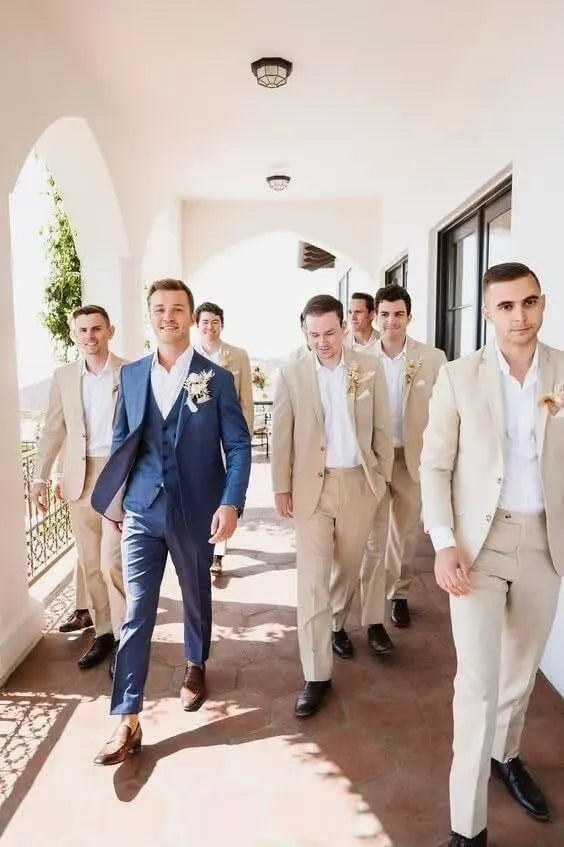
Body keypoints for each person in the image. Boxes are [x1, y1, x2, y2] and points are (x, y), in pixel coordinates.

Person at [420, 262, 564, 846]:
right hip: (478, 547)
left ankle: (507, 757)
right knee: (476, 684)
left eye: (529, 303)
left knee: (521, 673)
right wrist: (443, 541)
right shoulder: (459, 377)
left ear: (543, 304)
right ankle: (467, 827)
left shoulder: (561, 369)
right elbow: (435, 464)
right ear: (487, 313)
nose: (520, 316)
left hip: (546, 543)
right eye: (506, 306)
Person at [91, 278, 251, 765]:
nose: (168, 316)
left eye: (177, 308)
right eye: (159, 309)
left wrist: (230, 503)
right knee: (138, 608)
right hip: (141, 508)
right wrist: (118, 505)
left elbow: (239, 446)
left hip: (195, 509)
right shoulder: (133, 375)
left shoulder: (216, 378)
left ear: (189, 314)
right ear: (150, 315)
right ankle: (127, 720)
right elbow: (123, 441)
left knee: (195, 591)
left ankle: (195, 663)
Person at [271, 294, 393, 717]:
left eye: (329, 332)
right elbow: (281, 435)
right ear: (304, 332)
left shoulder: (369, 367)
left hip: (359, 484)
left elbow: (381, 429)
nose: (322, 342)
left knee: (348, 567)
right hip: (311, 491)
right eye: (314, 334)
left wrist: (381, 480)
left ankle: (337, 623)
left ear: (345, 327)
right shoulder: (290, 375)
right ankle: (316, 674)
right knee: (313, 582)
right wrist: (280, 488)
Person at [332, 284, 446, 659]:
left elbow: (446, 414)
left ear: (409, 317)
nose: (391, 321)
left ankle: (398, 594)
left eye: (399, 314)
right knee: (371, 541)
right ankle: (364, 616)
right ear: (375, 318)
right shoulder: (357, 359)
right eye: (384, 314)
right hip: (373, 463)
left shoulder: (433, 358)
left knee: (406, 536)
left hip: (414, 460)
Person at [32, 305, 126, 672]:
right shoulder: (64, 377)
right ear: (74, 335)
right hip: (80, 477)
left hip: (118, 475)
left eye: (97, 329)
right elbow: (54, 429)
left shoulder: (131, 371)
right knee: (90, 563)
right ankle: (103, 632)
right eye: (83, 330)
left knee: (112, 562)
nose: (90, 336)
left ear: (110, 331)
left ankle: (124, 637)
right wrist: (41, 475)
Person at [194, 301, 254, 575]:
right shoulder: (189, 355)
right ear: (197, 325)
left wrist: (245, 435)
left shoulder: (238, 356)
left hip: (227, 434)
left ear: (222, 324)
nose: (210, 326)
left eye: (214, 321)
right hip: (199, 437)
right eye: (205, 322)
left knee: (225, 489)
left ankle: (218, 551)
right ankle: (206, 540)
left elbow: (246, 399)